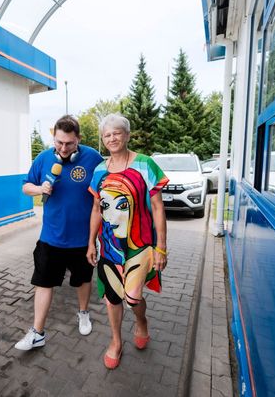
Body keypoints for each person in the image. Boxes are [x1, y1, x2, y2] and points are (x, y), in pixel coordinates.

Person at [86, 113, 168, 369]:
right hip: (109, 246)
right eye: (107, 135)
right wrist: (90, 243)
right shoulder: (99, 170)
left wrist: (161, 247)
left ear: (127, 135)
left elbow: (158, 207)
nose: (112, 138)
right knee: (112, 297)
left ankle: (141, 322)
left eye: (117, 133)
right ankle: (116, 341)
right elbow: (96, 209)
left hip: (140, 245)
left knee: (132, 297)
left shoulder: (145, 164)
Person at [15, 115, 103, 350]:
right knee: (43, 282)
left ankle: (83, 313)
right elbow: (25, 186)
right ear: (54, 138)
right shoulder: (44, 158)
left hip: (83, 239)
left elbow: (105, 188)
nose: (63, 149)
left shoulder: (93, 158)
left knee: (83, 280)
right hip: (51, 237)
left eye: (69, 143)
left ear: (78, 139)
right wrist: (39, 188)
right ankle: (37, 333)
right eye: (59, 142)